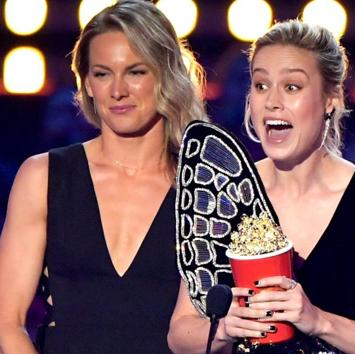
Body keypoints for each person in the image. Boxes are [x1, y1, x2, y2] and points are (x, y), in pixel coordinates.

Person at [168, 20, 355, 354]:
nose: (272, 101)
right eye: (261, 85)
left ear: (330, 98)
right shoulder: (227, 193)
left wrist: (318, 321)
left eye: (292, 87)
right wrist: (225, 328)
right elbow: (179, 335)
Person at [0, 0, 207, 352]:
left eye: (136, 71)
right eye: (102, 73)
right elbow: (8, 323)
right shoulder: (44, 177)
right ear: (87, 84)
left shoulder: (202, 185)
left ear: (166, 75)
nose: (117, 91)